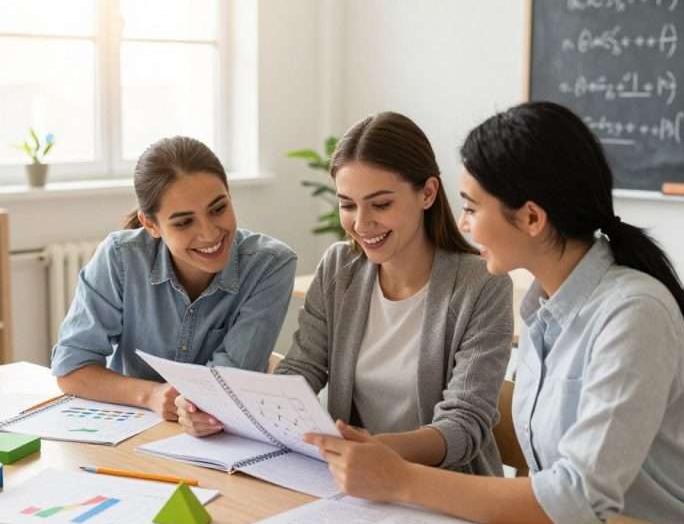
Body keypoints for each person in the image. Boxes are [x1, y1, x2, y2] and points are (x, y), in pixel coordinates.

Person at [305, 101, 684, 524]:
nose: (464, 225)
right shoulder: (543, 309)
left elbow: (575, 501)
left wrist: (401, 480)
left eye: (472, 207)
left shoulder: (634, 314)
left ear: (531, 218)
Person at [177, 111, 513, 478]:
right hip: (348, 482)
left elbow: (464, 425)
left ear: (428, 193)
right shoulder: (340, 266)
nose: (361, 223)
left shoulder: (482, 284)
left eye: (381, 204)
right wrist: (225, 413)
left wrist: (371, 452)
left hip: (445, 490)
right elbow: (301, 370)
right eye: (348, 204)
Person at [51, 136, 297, 421]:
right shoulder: (120, 257)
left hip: (219, 433)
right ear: (150, 225)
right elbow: (71, 370)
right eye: (183, 222)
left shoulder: (270, 265)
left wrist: (194, 404)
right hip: (133, 427)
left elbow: (227, 387)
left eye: (218, 208)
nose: (209, 233)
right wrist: (151, 395)